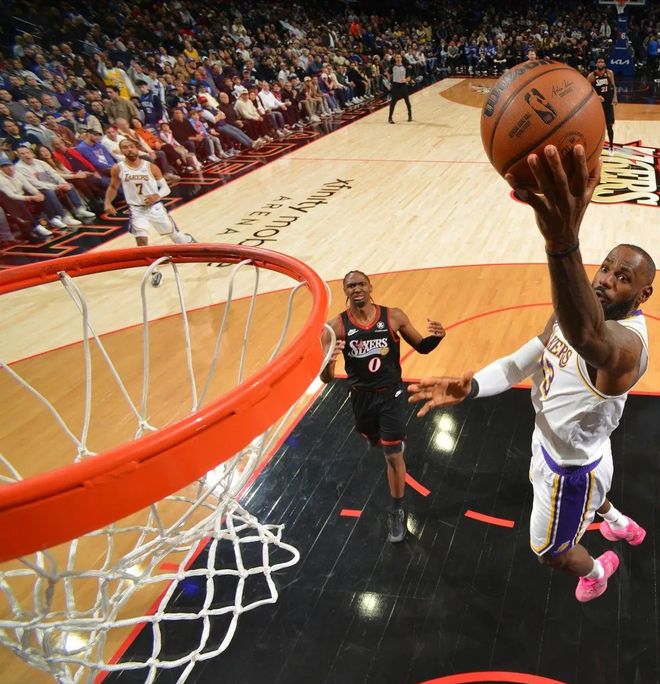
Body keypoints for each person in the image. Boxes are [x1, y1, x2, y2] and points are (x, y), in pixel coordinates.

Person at [409, 144, 654, 602]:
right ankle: (618, 523)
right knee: (593, 495)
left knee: (550, 552)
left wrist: (562, 243)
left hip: (571, 470)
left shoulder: (626, 350)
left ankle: (598, 570)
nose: (605, 279)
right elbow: (524, 359)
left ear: (644, 296)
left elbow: (587, 336)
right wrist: (473, 385)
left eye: (623, 278)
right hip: (564, 444)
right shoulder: (573, 312)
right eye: (605, 267)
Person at [321, 271, 445, 543]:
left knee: (392, 454)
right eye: (351, 285)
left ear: (370, 286)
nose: (357, 289)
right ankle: (390, 442)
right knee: (373, 439)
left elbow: (422, 347)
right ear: (345, 291)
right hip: (361, 399)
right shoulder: (335, 327)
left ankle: (397, 510)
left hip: (391, 396)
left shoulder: (393, 316)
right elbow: (326, 378)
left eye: (361, 284)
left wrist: (437, 337)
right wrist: (330, 361)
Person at [104, 139, 196, 286]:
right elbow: (113, 187)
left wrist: (156, 196)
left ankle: (188, 240)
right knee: (141, 242)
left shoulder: (150, 167)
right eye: (125, 147)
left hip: (155, 207)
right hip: (136, 209)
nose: (129, 150)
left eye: (131, 147)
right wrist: (107, 202)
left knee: (177, 238)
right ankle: (154, 272)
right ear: (121, 151)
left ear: (137, 148)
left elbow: (166, 188)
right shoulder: (118, 168)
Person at [587, 58, 617, 155]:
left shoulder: (609, 73)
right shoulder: (591, 76)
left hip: (608, 103)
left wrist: (615, 98)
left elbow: (613, 86)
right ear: (596, 64)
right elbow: (587, 90)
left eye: (602, 62)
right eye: (599, 62)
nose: (601, 63)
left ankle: (611, 146)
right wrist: (597, 96)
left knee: (609, 126)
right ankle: (595, 147)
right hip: (597, 105)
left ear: (604, 64)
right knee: (597, 127)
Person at [388, 54, 412, 124]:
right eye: (397, 57)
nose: (398, 59)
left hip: (403, 86)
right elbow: (388, 73)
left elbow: (409, 77)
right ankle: (390, 118)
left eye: (399, 57)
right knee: (393, 102)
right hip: (395, 86)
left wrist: (405, 80)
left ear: (401, 58)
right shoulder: (392, 67)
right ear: (395, 59)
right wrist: (389, 80)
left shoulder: (405, 67)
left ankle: (410, 115)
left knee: (407, 101)